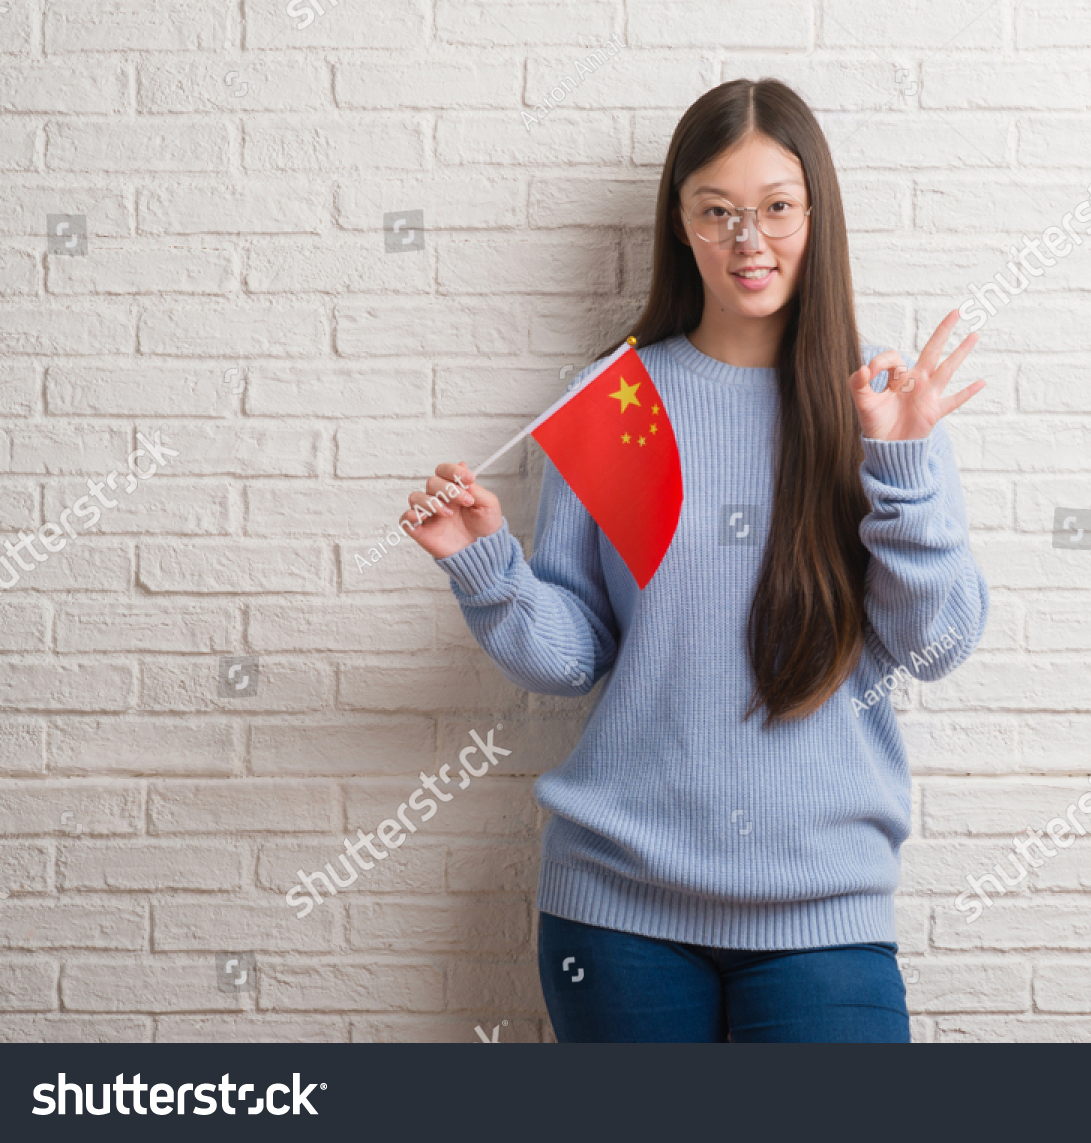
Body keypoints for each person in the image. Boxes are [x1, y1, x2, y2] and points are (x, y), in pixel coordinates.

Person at [400, 77, 989, 1043]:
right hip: (620, 909)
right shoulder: (623, 401)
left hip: (823, 914)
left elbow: (935, 646)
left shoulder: (879, 400)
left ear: (816, 215)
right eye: (717, 212)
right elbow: (574, 654)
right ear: (680, 225)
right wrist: (489, 568)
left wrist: (902, 462)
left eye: (776, 209)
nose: (748, 240)